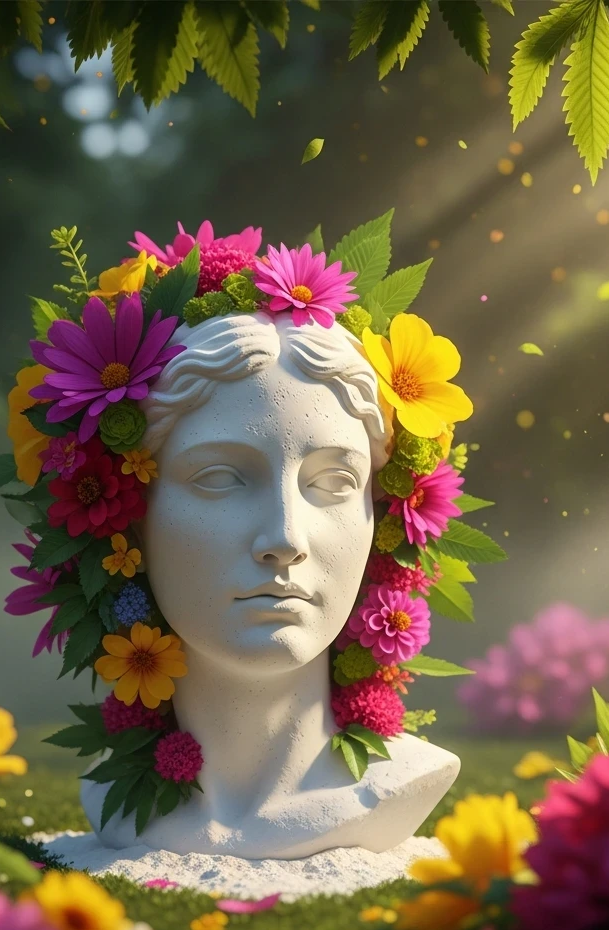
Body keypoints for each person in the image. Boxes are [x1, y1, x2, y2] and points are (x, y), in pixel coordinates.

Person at [81, 311, 460, 858]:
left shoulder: (399, 782)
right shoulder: (112, 792)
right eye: (219, 477)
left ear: (379, 515)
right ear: (134, 517)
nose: (284, 537)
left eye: (334, 481)